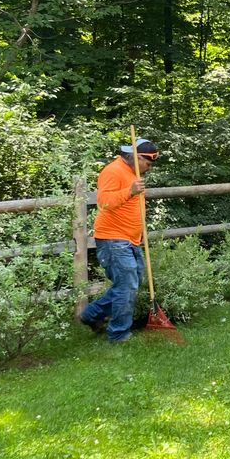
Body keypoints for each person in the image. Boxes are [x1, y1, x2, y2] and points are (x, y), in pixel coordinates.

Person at [80, 138, 159, 342]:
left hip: (131, 238)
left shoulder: (134, 172)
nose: (149, 168)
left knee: (130, 283)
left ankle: (91, 315)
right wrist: (130, 191)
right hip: (113, 239)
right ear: (136, 157)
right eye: (148, 164)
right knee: (127, 285)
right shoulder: (113, 171)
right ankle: (119, 334)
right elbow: (104, 202)